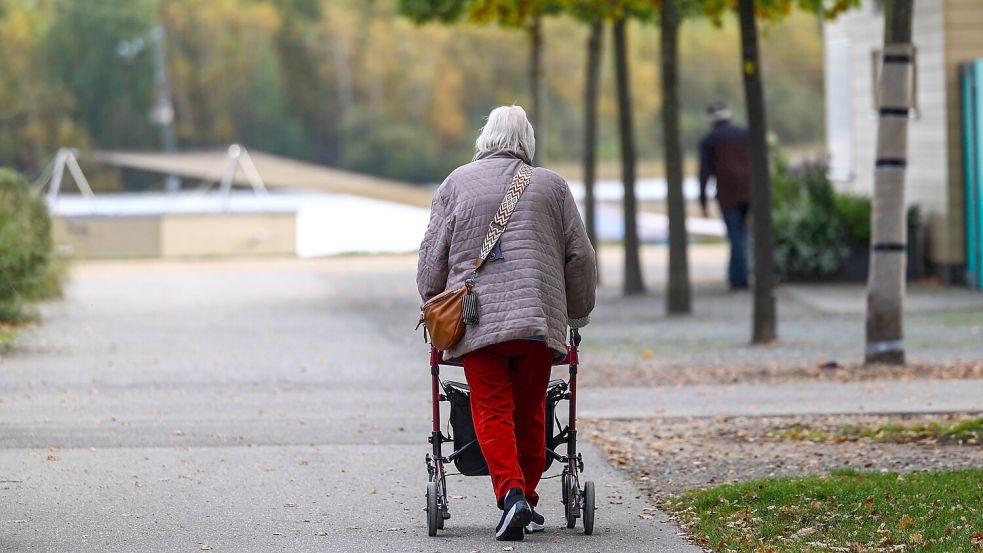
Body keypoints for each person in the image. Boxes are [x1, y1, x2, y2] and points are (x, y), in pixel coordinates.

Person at [416, 105, 597, 541]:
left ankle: (511, 496)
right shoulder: (552, 186)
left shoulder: (455, 183)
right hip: (537, 320)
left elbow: (430, 261)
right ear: (527, 142)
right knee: (532, 410)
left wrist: (432, 299)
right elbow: (581, 256)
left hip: (476, 323)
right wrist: (578, 312)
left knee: (493, 408)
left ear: (486, 138)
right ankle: (525, 498)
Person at [698, 101, 751, 290]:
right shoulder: (745, 134)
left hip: (728, 195)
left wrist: (703, 201)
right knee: (743, 235)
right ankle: (737, 275)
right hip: (749, 193)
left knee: (735, 236)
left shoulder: (709, 141)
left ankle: (739, 279)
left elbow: (704, 173)